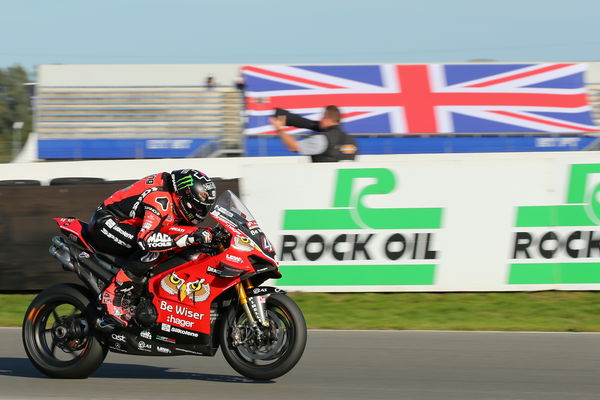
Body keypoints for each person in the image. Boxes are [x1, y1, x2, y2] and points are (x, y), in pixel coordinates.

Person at [89, 169, 216, 327]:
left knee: (178, 243)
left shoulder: (174, 197)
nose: (199, 213)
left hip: (132, 226)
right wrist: (188, 237)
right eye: (197, 207)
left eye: (203, 209)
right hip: (106, 223)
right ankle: (113, 293)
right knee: (153, 249)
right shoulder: (160, 199)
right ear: (183, 195)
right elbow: (146, 240)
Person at [269, 105, 358, 162]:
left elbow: (293, 147)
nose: (321, 120)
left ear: (329, 120)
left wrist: (279, 129)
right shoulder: (352, 141)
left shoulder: (323, 139)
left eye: (323, 118)